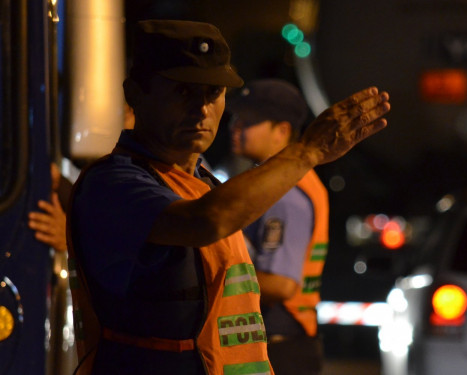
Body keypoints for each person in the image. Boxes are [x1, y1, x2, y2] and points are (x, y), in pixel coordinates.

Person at [67, 19, 389, 375]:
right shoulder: (115, 183)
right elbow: (204, 221)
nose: (202, 110)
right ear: (136, 94)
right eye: (183, 92)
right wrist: (307, 152)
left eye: (213, 93)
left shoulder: (205, 183)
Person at [227, 79, 328, 375]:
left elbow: (282, 284)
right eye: (235, 118)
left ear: (281, 131)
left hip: (281, 347)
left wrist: (215, 278)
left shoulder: (283, 192)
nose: (235, 127)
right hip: (286, 343)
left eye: (249, 121)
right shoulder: (281, 183)